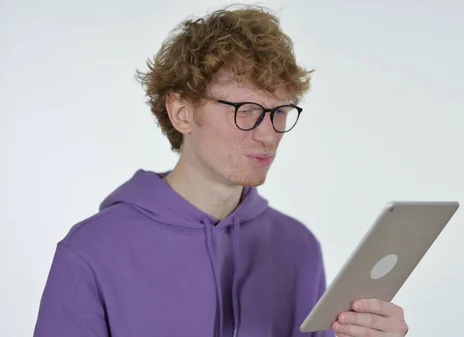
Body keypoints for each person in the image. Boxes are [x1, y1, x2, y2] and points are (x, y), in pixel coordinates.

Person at [33, 5, 409, 337]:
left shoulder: (298, 247)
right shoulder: (92, 251)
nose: (269, 134)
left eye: (279, 112)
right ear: (182, 112)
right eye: (245, 110)